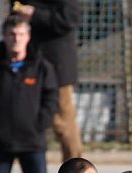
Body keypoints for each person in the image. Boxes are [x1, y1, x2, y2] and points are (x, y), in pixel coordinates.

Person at [0, 14, 59, 173]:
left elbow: (51, 98)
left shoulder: (41, 67)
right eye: (11, 34)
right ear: (4, 36)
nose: (16, 39)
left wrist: (40, 124)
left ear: (28, 36)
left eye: (20, 34)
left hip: (33, 141)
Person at [9, 0, 84, 162]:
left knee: (62, 121)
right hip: (28, 62)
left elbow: (70, 18)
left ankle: (74, 166)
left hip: (57, 64)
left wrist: (36, 15)